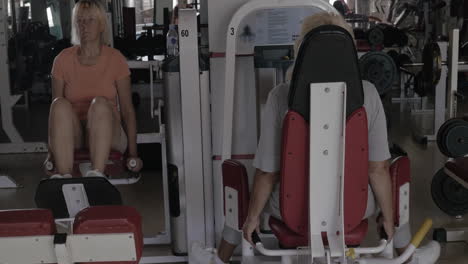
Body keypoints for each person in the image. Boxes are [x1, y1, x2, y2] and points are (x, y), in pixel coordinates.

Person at [192, 12, 439, 264]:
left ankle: (219, 260)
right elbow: (377, 168)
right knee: (396, 171)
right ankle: (407, 256)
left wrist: (252, 218)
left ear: (303, 52)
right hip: (354, 209)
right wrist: (388, 218)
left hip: (291, 211)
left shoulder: (280, 96)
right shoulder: (369, 93)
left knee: (238, 176)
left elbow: (268, 172)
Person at [46, 0, 142, 178]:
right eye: (80, 20)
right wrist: (51, 153)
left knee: (99, 103)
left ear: (101, 25)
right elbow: (55, 116)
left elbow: (128, 110)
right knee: (59, 104)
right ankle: (64, 177)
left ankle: (96, 175)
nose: (84, 25)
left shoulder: (115, 59)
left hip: (110, 132)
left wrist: (133, 153)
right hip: (76, 135)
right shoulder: (62, 60)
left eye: (90, 20)